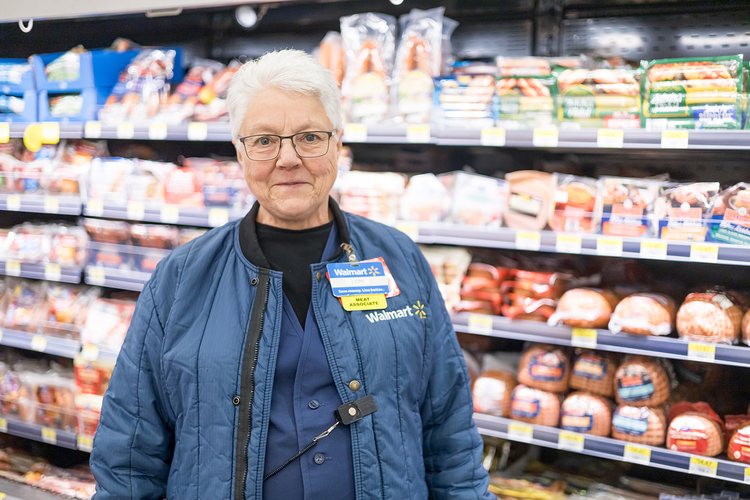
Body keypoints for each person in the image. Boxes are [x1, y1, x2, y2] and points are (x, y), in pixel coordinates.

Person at [90, 49, 492, 500]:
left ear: (338, 142)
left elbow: (449, 431)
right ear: (240, 152)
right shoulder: (181, 279)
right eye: (264, 140)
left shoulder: (398, 258)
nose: (288, 158)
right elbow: (129, 451)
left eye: (309, 137)